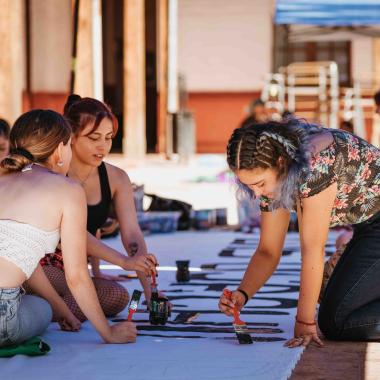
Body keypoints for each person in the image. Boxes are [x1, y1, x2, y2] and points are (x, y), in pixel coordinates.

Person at [218, 119, 380, 346]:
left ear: (281, 162)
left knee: (337, 322)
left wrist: (305, 322)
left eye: (260, 184)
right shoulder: (278, 164)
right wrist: (242, 294)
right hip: (369, 227)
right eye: (249, 186)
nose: (256, 195)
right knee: (327, 297)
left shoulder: (313, 167)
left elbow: (313, 250)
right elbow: (268, 251)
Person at [0, 109, 140, 346]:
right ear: (59, 150)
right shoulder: (68, 189)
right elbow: (76, 276)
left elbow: (22, 259)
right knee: (41, 309)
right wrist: (108, 333)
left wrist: (64, 310)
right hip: (4, 316)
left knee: (40, 301)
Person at [40, 95, 159, 321]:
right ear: (71, 137)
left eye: (108, 138)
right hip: (41, 265)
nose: (103, 146)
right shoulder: (52, 173)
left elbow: (132, 235)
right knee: (62, 290)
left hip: (76, 269)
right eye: (94, 138)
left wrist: (149, 290)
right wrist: (123, 262)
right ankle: (44, 309)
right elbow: (73, 233)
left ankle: (49, 311)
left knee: (117, 297)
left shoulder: (116, 178)